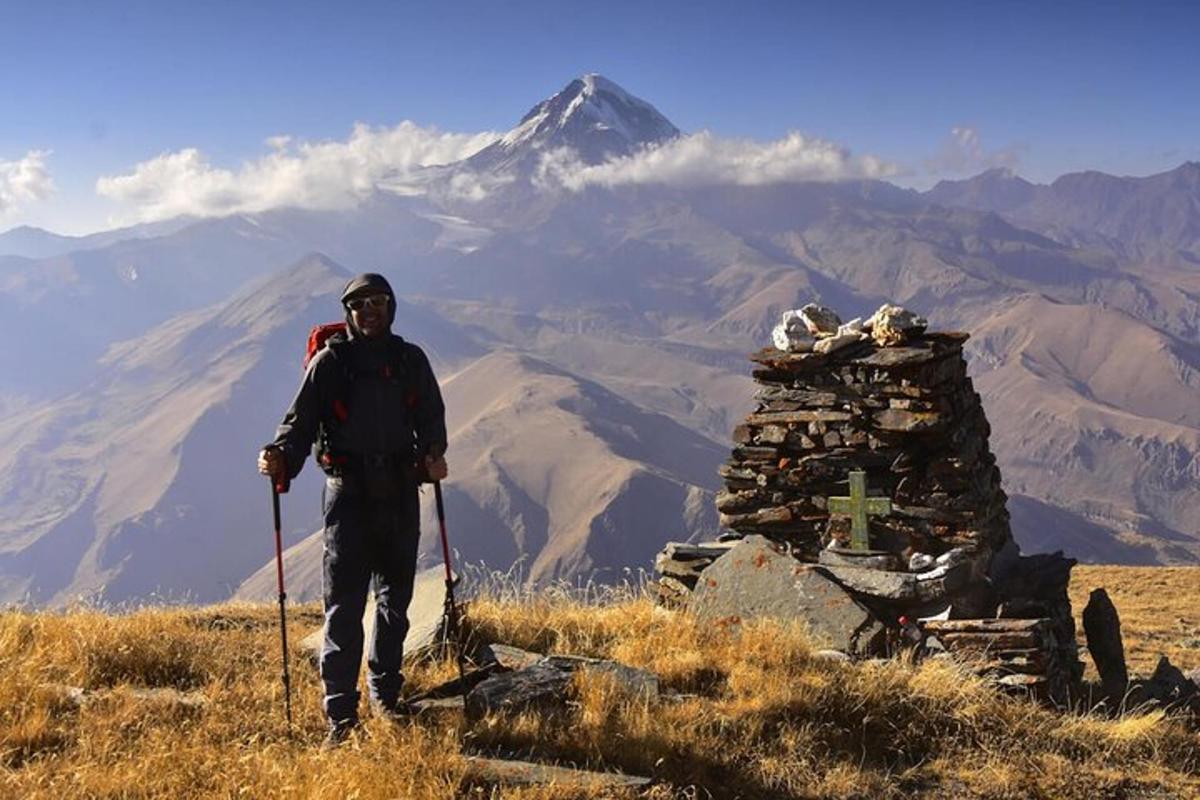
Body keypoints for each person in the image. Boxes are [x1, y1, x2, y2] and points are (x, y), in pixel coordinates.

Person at [257, 272, 448, 746]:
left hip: (401, 492)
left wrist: (433, 454)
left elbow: (431, 416)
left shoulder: (410, 360)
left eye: (378, 302)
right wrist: (279, 455)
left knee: (394, 601)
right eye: (360, 304)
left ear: (390, 306)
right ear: (349, 312)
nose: (370, 311)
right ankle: (341, 717)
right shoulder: (330, 363)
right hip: (349, 497)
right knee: (343, 605)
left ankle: (385, 695)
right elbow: (299, 424)